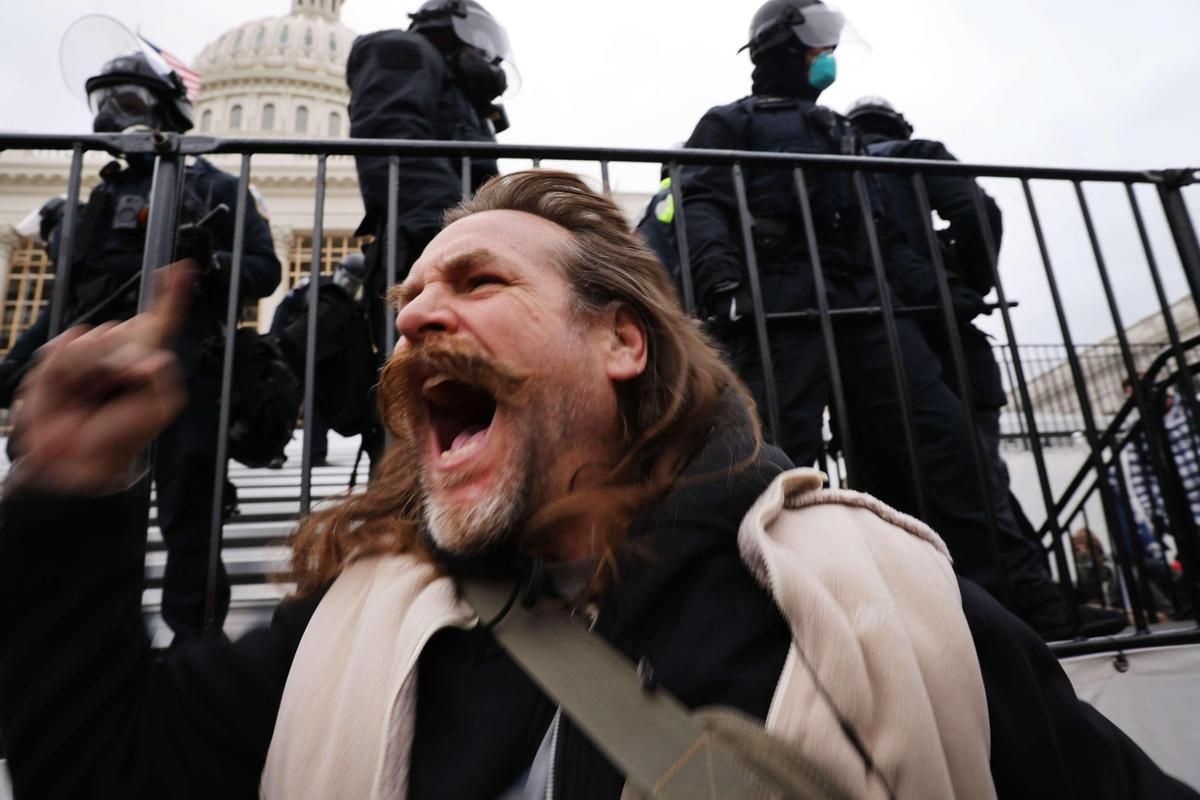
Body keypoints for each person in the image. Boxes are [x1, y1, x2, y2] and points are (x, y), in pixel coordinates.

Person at [1, 170, 1194, 799]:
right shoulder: (349, 634)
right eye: (409, 299)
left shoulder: (880, 605)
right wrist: (65, 493)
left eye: (476, 279)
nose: (414, 314)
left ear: (622, 341)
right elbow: (106, 768)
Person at [676, 0, 1094, 637]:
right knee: (773, 464)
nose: (827, 55)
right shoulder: (729, 121)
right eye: (818, 42)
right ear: (781, 47)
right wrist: (724, 283)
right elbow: (699, 197)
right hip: (783, 309)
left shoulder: (840, 130)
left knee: (950, 453)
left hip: (867, 307)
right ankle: (753, 630)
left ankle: (1031, 610)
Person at [0, 47, 280, 640]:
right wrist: (21, 360)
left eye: (125, 101)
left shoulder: (219, 186)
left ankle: (192, 648)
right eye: (104, 103)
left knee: (190, 526)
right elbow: (74, 299)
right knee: (84, 515)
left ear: (165, 108)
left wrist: (213, 262)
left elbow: (265, 270)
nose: (111, 116)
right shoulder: (100, 198)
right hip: (100, 380)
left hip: (184, 377)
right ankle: (80, 645)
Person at [845, 95, 1125, 637]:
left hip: (871, 346)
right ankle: (1024, 608)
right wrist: (966, 283)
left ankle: (947, 618)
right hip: (946, 336)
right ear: (897, 124)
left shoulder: (841, 172)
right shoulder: (915, 154)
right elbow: (977, 212)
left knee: (896, 493)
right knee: (979, 481)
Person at [267, 254, 374, 469]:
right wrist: (276, 341)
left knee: (319, 404)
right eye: (347, 278)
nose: (348, 285)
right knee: (287, 400)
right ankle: (275, 451)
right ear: (338, 270)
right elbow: (284, 308)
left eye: (355, 282)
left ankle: (316, 453)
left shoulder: (355, 301)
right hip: (298, 351)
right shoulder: (313, 285)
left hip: (325, 357)